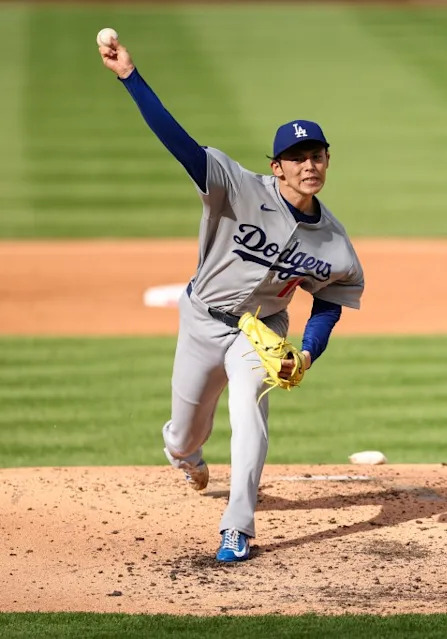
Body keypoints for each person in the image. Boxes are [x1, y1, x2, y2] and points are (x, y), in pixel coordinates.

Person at [98, 34, 364, 562]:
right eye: (296, 157)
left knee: (250, 411)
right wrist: (131, 77)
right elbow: (180, 144)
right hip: (201, 320)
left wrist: (307, 351)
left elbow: (329, 301)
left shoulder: (335, 243)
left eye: (316, 155)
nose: (308, 165)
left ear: (327, 161)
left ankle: (237, 527)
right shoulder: (235, 185)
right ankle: (186, 455)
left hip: (259, 334)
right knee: (183, 433)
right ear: (278, 167)